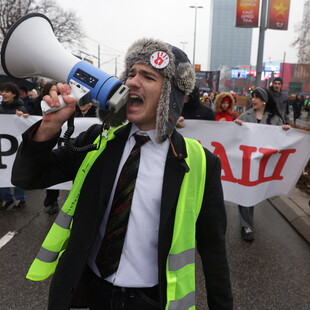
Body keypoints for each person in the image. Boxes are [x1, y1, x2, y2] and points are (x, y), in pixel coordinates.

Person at [11, 38, 233, 310]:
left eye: (147, 76)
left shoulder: (200, 162)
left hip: (149, 300)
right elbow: (26, 178)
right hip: (85, 293)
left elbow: (213, 250)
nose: (131, 83)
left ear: (171, 96)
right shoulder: (97, 140)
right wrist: (48, 126)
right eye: (130, 74)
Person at [234, 87, 290, 242]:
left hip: (265, 164)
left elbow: (281, 141)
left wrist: (286, 130)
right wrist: (235, 126)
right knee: (245, 192)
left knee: (258, 192)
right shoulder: (245, 116)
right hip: (247, 163)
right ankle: (246, 225)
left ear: (264, 100)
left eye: (257, 97)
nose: (253, 100)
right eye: (252, 96)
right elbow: (235, 137)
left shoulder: (275, 119)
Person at [31, 82, 60, 215]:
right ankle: (50, 196)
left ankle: (53, 200)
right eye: (51, 91)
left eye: (57, 92)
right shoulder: (37, 103)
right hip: (42, 144)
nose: (54, 95)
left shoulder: (63, 105)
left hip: (58, 143)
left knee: (54, 169)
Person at [0, 82, 28, 211]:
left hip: (16, 147)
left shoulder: (21, 108)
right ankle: (6, 198)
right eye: (2, 91)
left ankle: (20, 198)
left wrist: (22, 118)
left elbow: (24, 127)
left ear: (14, 94)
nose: (3, 93)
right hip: (2, 147)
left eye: (7, 91)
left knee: (17, 172)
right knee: (2, 172)